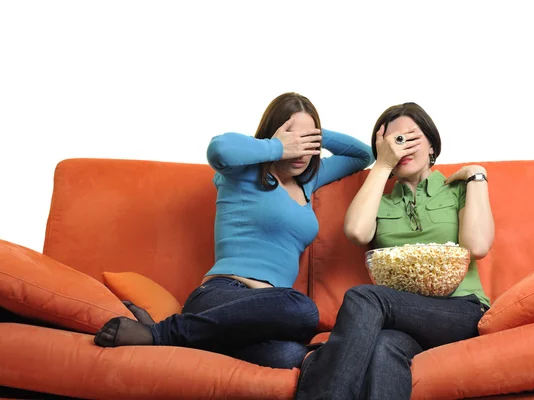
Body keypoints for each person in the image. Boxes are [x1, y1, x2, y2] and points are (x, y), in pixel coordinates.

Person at [93, 92, 374, 370]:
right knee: (303, 309)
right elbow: (219, 149)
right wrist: (278, 147)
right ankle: (161, 334)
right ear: (273, 136)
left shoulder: (308, 181)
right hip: (221, 295)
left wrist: (313, 134)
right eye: (293, 137)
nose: (300, 149)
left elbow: (363, 155)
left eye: (308, 141)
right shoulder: (243, 170)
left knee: (288, 356)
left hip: (263, 315)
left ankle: (176, 336)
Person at [295, 102, 494, 399]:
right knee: (384, 347)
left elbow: (477, 246)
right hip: (403, 321)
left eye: (409, 138)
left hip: (461, 311)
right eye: (392, 142)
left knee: (364, 296)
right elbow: (357, 231)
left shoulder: (458, 189)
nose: (401, 148)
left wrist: (477, 175)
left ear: (431, 145)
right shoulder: (380, 202)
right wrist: (383, 164)